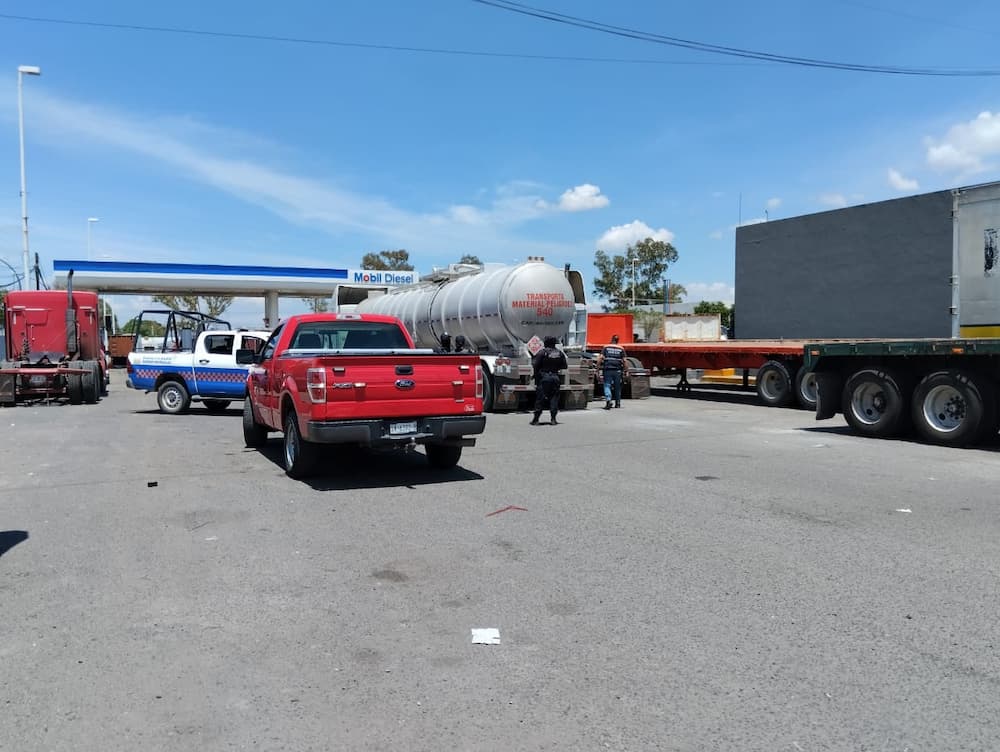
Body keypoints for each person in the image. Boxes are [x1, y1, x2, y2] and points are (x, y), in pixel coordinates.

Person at [531, 335, 568, 425]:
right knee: (554, 398)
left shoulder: (542, 353)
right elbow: (565, 366)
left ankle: (536, 419)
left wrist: (535, 375)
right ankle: (553, 419)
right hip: (555, 377)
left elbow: (536, 365)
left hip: (544, 377)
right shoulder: (559, 353)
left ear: (546, 343)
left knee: (540, 398)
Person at [600, 334, 627, 409]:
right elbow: (624, 361)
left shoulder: (606, 347)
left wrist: (597, 369)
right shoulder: (621, 348)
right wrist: (626, 371)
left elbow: (600, 358)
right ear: (618, 341)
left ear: (612, 339)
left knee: (607, 385)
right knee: (617, 387)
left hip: (608, 369)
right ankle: (617, 403)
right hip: (618, 370)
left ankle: (608, 400)